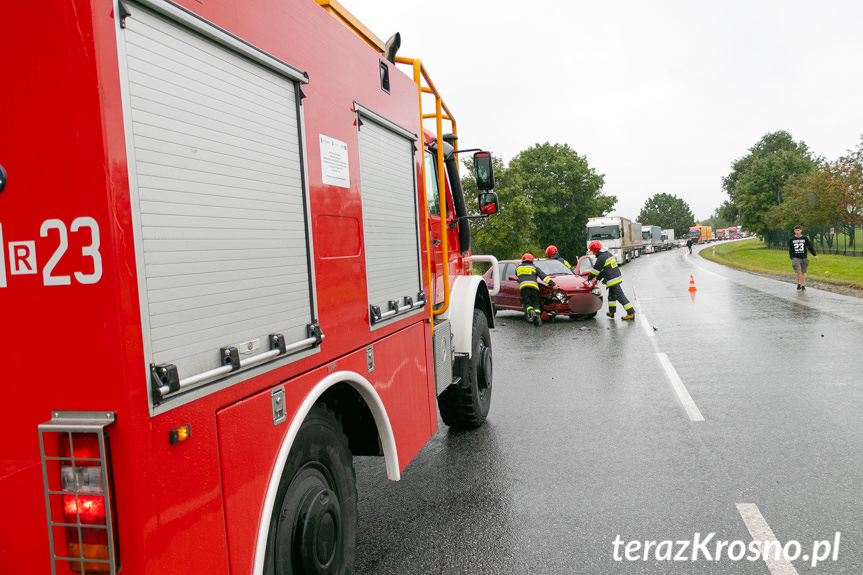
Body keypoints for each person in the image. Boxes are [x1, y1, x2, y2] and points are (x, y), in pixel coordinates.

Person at [586, 241, 635, 320]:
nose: (594, 254)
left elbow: (595, 271)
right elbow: (604, 270)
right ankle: (611, 312)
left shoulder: (601, 258)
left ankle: (631, 312)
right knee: (611, 296)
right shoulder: (607, 254)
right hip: (615, 277)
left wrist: (588, 278)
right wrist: (597, 279)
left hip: (612, 279)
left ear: (596, 250)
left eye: (593, 252)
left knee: (620, 297)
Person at [516, 253, 557, 326]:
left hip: (523, 287)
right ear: (532, 260)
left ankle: (531, 312)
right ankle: (537, 317)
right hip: (534, 287)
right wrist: (553, 284)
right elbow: (544, 277)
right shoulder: (534, 268)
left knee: (527, 303)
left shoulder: (518, 268)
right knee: (535, 303)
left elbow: (518, 277)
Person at [788, 225, 818, 290]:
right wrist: (791, 257)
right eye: (796, 230)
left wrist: (814, 255)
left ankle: (803, 285)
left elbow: (809, 247)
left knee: (803, 271)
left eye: (798, 230)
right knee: (798, 271)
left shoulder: (805, 238)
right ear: (794, 231)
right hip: (796, 257)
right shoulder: (792, 239)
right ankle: (798, 283)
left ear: (801, 230)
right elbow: (790, 249)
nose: (797, 232)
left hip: (804, 257)